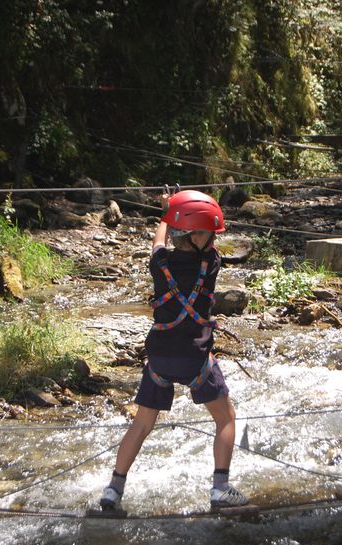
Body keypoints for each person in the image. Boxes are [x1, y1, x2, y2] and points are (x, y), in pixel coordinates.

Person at [99, 189, 249, 512]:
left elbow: (157, 242)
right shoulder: (211, 263)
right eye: (209, 233)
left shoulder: (159, 263)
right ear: (197, 236)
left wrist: (165, 213)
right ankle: (220, 488)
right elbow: (205, 247)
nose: (213, 239)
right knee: (226, 417)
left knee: (141, 424)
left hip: (160, 359)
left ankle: (113, 490)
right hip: (195, 359)